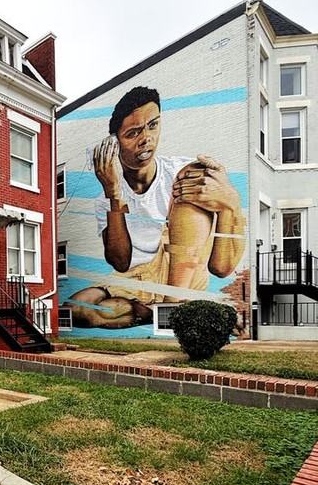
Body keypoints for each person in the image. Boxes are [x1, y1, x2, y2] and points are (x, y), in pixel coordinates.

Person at [66, 86, 245, 328]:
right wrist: (113, 193)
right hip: (136, 279)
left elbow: (222, 268)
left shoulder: (183, 172)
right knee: (78, 309)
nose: (146, 139)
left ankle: (172, 307)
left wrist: (230, 201)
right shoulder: (105, 198)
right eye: (133, 133)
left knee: (190, 177)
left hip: (181, 272)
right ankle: (158, 313)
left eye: (153, 125)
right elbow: (120, 262)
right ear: (114, 144)